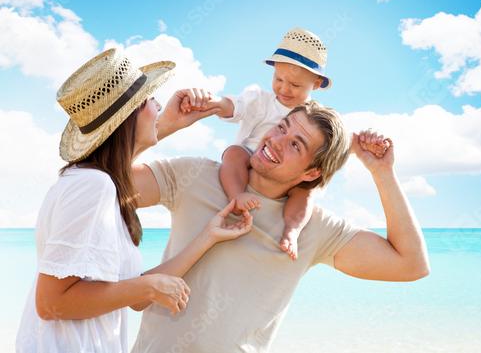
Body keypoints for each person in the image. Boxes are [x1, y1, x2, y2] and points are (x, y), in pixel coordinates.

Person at [131, 99, 429, 353]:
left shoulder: (313, 228)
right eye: (282, 127)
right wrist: (167, 124)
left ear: (312, 172)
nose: (275, 141)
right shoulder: (195, 175)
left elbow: (411, 265)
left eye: (295, 145)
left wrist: (381, 172)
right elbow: (105, 185)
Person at [15, 49, 252, 353]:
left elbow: (136, 298)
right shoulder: (92, 185)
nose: (158, 105)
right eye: (152, 99)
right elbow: (51, 303)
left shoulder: (98, 184)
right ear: (129, 116)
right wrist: (148, 286)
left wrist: (209, 236)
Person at [179, 27, 388, 260]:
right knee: (234, 153)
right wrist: (214, 103)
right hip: (249, 156)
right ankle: (236, 195)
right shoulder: (260, 99)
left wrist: (371, 142)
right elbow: (234, 106)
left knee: (307, 192)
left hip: (289, 177)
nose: (284, 88)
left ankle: (291, 231)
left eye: (295, 85)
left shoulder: (316, 119)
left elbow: (345, 142)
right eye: (278, 79)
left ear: (316, 83)